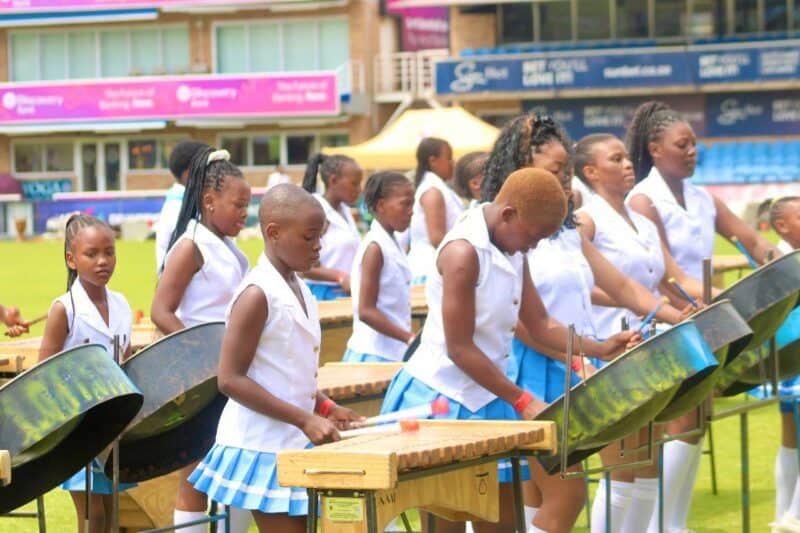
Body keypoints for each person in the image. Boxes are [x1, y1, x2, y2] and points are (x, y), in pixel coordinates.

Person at [382, 168, 636, 533]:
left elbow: (539, 323)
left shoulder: (512, 243)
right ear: (508, 214)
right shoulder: (463, 253)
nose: (532, 246)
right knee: (446, 520)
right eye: (533, 237)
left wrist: (599, 347)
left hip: (489, 397)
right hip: (443, 397)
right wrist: (522, 400)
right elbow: (459, 348)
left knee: (503, 521)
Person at [481, 113, 676, 532]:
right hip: (533, 369)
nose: (565, 183)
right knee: (564, 498)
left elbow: (623, 286)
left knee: (538, 502)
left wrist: (680, 316)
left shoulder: (567, 231)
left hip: (571, 363)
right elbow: (522, 323)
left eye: (566, 173)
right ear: (522, 170)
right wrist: (576, 360)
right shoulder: (511, 235)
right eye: (555, 172)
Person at [625, 101, 780, 533]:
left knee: (696, 422)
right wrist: (724, 298)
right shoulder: (643, 200)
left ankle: (673, 522)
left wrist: (782, 263)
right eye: (683, 144)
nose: (693, 151)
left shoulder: (702, 198)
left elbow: (751, 240)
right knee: (679, 422)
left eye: (694, 144)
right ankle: (657, 524)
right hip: (666, 318)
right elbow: (665, 273)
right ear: (655, 149)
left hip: (707, 317)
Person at [189, 184, 362, 533]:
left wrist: (324, 407)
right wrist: (304, 418)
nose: (319, 247)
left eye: (320, 237)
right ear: (273, 232)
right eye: (309, 238)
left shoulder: (299, 287)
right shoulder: (256, 295)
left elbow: (286, 371)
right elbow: (230, 379)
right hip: (262, 443)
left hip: (293, 439)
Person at [574, 133, 703, 533]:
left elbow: (672, 279)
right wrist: (627, 301)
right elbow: (578, 283)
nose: (628, 164)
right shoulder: (586, 219)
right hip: (607, 348)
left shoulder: (644, 221)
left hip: (650, 349)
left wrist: (708, 300)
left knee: (646, 462)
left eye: (627, 158)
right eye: (616, 159)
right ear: (591, 172)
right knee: (620, 468)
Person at [150, 148, 252, 533]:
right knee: (196, 470)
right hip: (200, 375)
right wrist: (201, 354)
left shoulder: (227, 246)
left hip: (228, 370)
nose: (245, 213)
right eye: (238, 205)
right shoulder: (191, 245)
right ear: (209, 201)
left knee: (235, 464)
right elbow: (161, 310)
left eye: (248, 205)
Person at [38, 214, 134, 533]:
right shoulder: (64, 309)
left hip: (114, 423)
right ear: (71, 259)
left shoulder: (121, 304)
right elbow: (44, 372)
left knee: (111, 513)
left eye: (109, 252)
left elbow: (125, 359)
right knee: (93, 513)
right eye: (91, 254)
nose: (102, 261)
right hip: (77, 425)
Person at [758, 197, 800, 532]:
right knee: (791, 436)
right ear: (782, 226)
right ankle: (792, 516)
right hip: (793, 356)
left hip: (789, 357)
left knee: (791, 438)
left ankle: (784, 516)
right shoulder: (784, 260)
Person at [343, 172, 416, 363]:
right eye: (405, 203)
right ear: (381, 205)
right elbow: (366, 311)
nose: (411, 211)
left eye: (412, 204)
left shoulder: (392, 242)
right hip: (374, 353)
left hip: (391, 351)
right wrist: (408, 337)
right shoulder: (375, 248)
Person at [301, 153, 363, 300]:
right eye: (354, 184)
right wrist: (340, 277)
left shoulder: (345, 211)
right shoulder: (315, 211)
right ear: (333, 181)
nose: (359, 190)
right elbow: (305, 268)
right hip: (324, 293)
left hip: (346, 291)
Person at [407, 137, 463, 283]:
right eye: (449, 158)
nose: (453, 163)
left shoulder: (441, 188)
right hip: (430, 269)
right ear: (433, 161)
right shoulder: (432, 191)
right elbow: (437, 238)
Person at [155, 140, 209, 271]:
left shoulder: (189, 202)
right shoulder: (179, 208)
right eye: (207, 167)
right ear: (190, 170)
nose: (212, 173)